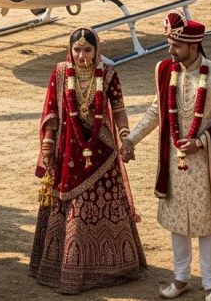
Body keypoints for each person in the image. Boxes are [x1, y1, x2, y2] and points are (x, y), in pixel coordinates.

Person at [121, 16, 211, 301]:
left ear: (193, 44)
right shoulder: (163, 70)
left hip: (205, 163)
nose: (170, 50)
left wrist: (201, 142)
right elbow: (155, 111)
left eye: (175, 45)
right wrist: (130, 139)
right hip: (174, 160)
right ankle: (181, 278)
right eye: (170, 43)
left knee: (207, 224)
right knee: (177, 223)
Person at [32, 28, 145, 295]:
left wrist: (125, 137)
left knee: (102, 204)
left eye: (88, 50)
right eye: (77, 50)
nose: (82, 56)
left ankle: (114, 266)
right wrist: (47, 144)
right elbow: (51, 112)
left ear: (97, 52)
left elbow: (118, 110)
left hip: (103, 151)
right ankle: (68, 267)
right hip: (67, 151)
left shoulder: (108, 74)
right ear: (69, 51)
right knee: (72, 206)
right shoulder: (60, 73)